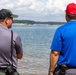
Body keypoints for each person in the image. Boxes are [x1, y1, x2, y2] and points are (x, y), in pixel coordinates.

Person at [48, 3, 76, 75]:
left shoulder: (61, 30)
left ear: (66, 15)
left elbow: (55, 53)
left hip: (65, 71)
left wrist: (51, 71)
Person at [0, 9, 23, 75]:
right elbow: (20, 56)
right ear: (6, 20)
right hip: (8, 72)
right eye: (11, 19)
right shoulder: (14, 36)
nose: (13, 21)